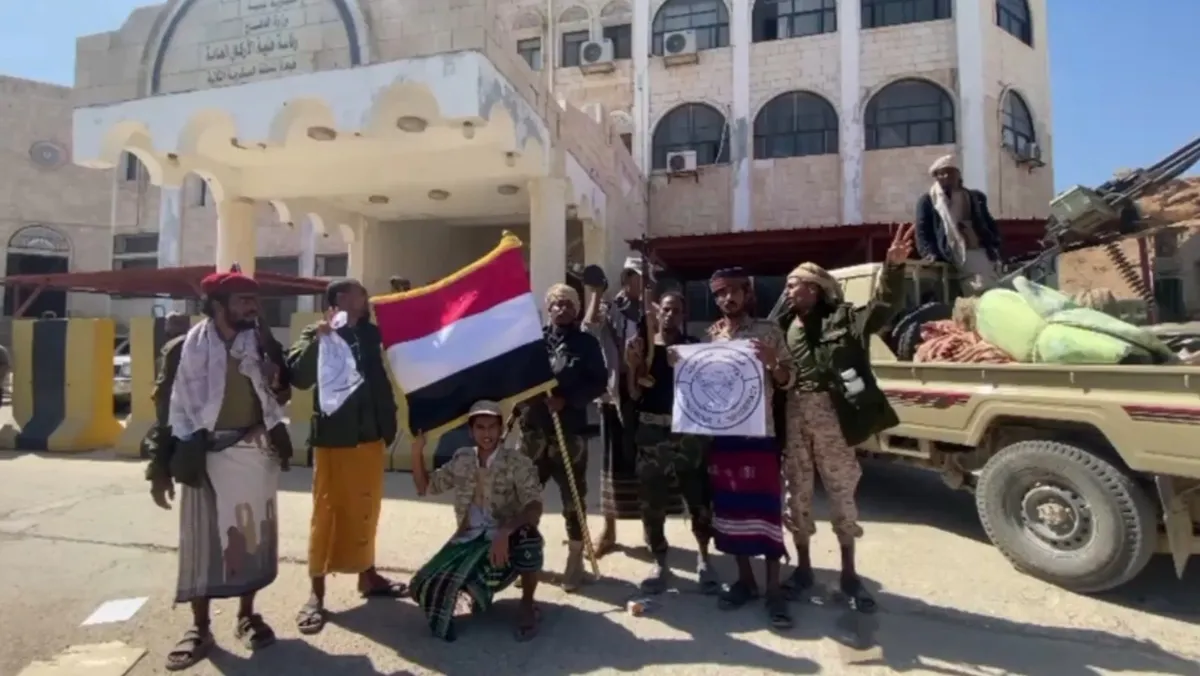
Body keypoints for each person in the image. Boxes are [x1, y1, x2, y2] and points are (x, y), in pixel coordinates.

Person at [144, 265, 293, 672]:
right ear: (217, 305)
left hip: (253, 453)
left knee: (250, 538)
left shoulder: (261, 345)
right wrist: (159, 469)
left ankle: (247, 615)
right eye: (244, 300)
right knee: (203, 541)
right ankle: (200, 628)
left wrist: (277, 381)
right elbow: (167, 412)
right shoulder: (182, 350)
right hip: (201, 455)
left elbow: (281, 394)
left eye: (254, 300)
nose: (252, 307)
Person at [776, 225, 914, 615]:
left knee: (841, 492)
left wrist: (893, 267)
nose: (788, 291)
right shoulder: (784, 327)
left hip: (832, 416)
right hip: (795, 414)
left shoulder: (845, 319)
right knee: (797, 493)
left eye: (793, 285)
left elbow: (884, 307)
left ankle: (850, 576)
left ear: (814, 288)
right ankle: (803, 569)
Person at [287, 278, 404, 636]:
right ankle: (316, 593)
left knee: (366, 508)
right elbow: (299, 376)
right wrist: (320, 339)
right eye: (360, 293)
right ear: (340, 298)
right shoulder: (317, 332)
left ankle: (367, 576)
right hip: (335, 440)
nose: (366, 298)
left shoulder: (370, 334)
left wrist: (389, 421)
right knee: (328, 512)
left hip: (370, 437)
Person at [680, 267, 794, 628]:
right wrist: (681, 364)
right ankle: (746, 580)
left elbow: (789, 379)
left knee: (766, 511)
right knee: (732, 512)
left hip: (760, 434)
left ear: (747, 294)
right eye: (720, 293)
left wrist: (773, 363)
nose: (727, 298)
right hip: (723, 436)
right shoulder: (710, 336)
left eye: (734, 291)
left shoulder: (769, 331)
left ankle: (774, 589)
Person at [408, 400, 545, 642]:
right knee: (423, 585)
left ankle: (527, 604)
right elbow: (425, 487)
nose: (487, 433)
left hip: (505, 540)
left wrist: (506, 531)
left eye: (492, 427)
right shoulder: (462, 459)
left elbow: (534, 506)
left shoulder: (517, 462)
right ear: (471, 432)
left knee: (530, 538)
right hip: (469, 539)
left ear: (501, 429)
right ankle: (470, 592)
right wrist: (417, 452)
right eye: (480, 427)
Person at [582, 256, 684, 557]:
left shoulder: (656, 311)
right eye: (641, 277)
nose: (647, 283)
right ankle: (609, 530)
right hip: (615, 396)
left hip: (648, 398)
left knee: (648, 466)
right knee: (612, 463)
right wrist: (596, 293)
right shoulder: (609, 307)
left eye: (650, 278)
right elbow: (589, 329)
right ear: (627, 279)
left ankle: (651, 530)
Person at [624, 291, 718, 595]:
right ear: (658, 312)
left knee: (698, 498)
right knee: (652, 501)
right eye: (666, 309)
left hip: (687, 432)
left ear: (683, 315)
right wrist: (633, 365)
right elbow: (634, 394)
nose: (670, 315)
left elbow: (707, 390)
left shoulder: (693, 347)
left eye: (676, 310)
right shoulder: (644, 346)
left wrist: (686, 365)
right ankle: (660, 560)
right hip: (652, 432)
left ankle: (704, 557)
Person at [517, 283, 607, 591]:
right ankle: (526, 559)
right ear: (548, 308)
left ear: (577, 309)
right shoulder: (533, 342)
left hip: (569, 433)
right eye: (557, 303)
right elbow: (517, 380)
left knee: (573, 499)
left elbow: (599, 382)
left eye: (569, 304)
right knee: (525, 498)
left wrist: (567, 400)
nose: (563, 308)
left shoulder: (586, 344)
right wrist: (528, 399)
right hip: (533, 433)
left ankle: (575, 560)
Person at [915, 155, 1002, 295]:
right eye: (941, 173)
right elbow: (922, 232)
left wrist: (993, 244)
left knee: (989, 284)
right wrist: (929, 253)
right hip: (948, 250)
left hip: (975, 249)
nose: (946, 176)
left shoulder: (974, 197)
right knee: (979, 286)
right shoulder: (927, 201)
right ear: (936, 177)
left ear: (958, 175)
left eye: (950, 172)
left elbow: (988, 223)